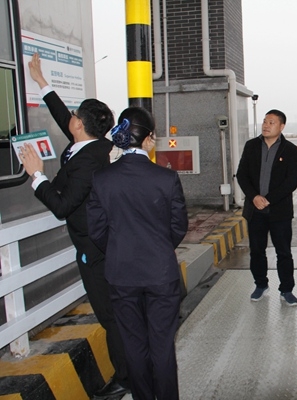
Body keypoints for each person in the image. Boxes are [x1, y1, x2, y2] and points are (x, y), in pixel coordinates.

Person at [18, 53, 129, 399]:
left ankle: (126, 378)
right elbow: (62, 115)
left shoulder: (87, 162)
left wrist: (37, 175)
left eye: (75, 117)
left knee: (110, 316)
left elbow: (63, 207)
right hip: (106, 244)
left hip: (96, 251)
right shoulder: (94, 144)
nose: (71, 120)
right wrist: (41, 80)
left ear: (81, 125)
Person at [87, 107, 188, 400]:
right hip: (160, 273)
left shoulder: (102, 179)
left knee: (133, 345)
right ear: (149, 138)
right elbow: (178, 226)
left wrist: (119, 250)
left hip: (121, 274)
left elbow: (97, 230)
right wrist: (158, 248)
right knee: (162, 346)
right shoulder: (166, 178)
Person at [236, 110, 297, 305]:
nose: (266, 125)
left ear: (281, 126)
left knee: (284, 252)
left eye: (271, 122)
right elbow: (242, 175)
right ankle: (261, 285)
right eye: (265, 121)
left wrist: (268, 199)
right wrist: (254, 197)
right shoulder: (251, 146)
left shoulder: (289, 149)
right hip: (255, 210)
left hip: (279, 211)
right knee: (257, 251)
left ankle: (286, 290)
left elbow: (292, 181)